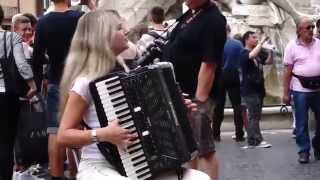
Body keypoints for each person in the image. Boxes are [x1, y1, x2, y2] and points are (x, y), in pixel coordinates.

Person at [57, 10, 210, 180]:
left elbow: (150, 121)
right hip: (99, 164)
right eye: (118, 28)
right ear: (101, 36)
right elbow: (63, 136)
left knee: (200, 178)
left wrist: (177, 112)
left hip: (139, 163)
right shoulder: (85, 81)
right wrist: (103, 134)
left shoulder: (128, 74)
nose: (126, 31)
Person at [163, 0, 227, 179]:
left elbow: (209, 63)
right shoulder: (191, 13)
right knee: (188, 148)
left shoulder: (213, 19)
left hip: (195, 95)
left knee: (203, 148)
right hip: (181, 93)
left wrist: (200, 101)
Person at [32, 0, 83, 179]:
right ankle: (79, 173)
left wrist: (37, 83)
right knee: (79, 129)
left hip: (56, 80)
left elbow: (37, 55)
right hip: (79, 79)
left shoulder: (44, 22)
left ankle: (56, 175)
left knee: (55, 130)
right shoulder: (80, 18)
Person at [0, 5, 37, 179]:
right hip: (7, 95)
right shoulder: (11, 37)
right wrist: (32, 85)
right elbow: (22, 64)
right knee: (6, 141)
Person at [282, 17, 320, 164]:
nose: (311, 30)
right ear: (299, 31)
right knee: (302, 123)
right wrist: (285, 93)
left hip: (318, 89)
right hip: (300, 90)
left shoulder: (319, 44)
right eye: (308, 28)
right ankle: (304, 151)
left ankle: (318, 146)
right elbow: (287, 71)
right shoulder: (291, 46)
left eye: (312, 27)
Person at [240, 31, 273, 149]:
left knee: (256, 115)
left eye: (257, 38)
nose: (256, 39)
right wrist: (262, 42)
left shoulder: (258, 53)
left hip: (258, 88)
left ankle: (252, 140)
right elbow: (251, 56)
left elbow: (268, 62)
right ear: (246, 39)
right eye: (253, 37)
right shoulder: (243, 52)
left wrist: (271, 52)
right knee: (254, 115)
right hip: (249, 89)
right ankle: (257, 140)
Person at [212, 24, 245, 142]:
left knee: (218, 106)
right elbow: (243, 59)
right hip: (234, 75)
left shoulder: (215, 44)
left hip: (220, 75)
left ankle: (215, 135)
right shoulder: (237, 44)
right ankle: (239, 134)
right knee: (237, 105)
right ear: (229, 31)